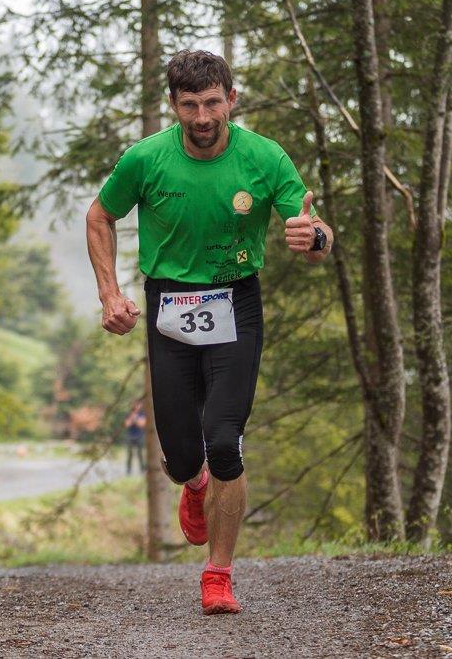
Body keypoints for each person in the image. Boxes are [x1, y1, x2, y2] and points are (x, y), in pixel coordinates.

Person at [85, 49, 333, 615]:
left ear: (232, 99)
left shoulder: (265, 157)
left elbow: (314, 229)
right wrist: (110, 294)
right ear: (173, 105)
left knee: (224, 441)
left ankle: (218, 574)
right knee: (180, 456)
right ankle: (192, 485)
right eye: (190, 105)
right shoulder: (146, 159)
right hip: (169, 303)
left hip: (235, 302)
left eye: (213, 102)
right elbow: (100, 216)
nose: (202, 117)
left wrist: (313, 238)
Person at [123, 399, 147, 474]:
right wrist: (132, 417)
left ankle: (142, 470)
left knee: (140, 454)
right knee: (129, 454)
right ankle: (128, 470)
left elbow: (142, 424)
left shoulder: (142, 414)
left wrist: (135, 419)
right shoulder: (128, 414)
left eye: (137, 404)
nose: (136, 406)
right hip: (130, 436)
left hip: (139, 436)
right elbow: (126, 424)